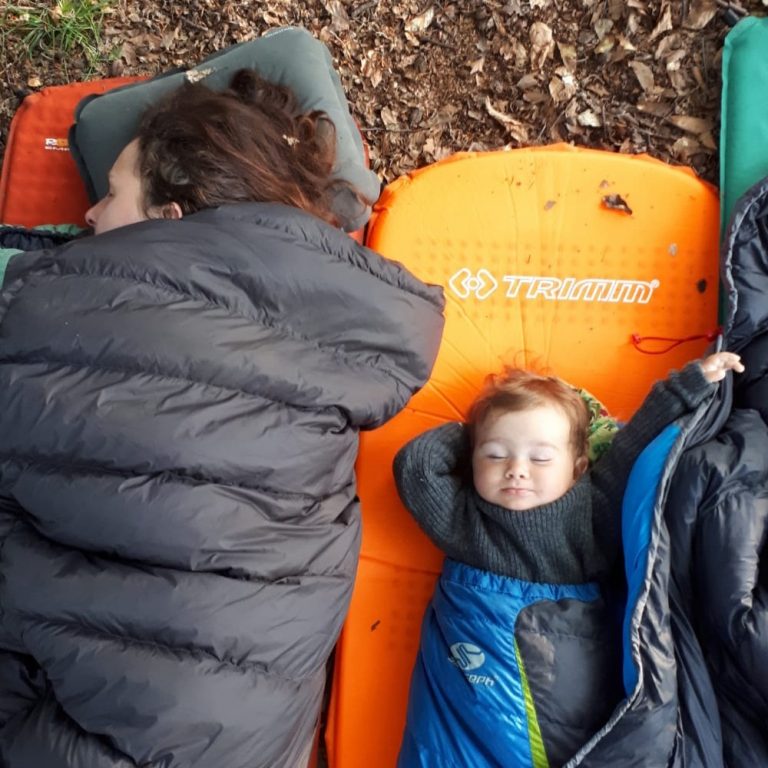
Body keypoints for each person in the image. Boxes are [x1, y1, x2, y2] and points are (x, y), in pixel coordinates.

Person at [0, 70, 445, 767]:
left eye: (111, 194)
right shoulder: (332, 343)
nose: (88, 215)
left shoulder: (73, 310)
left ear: (170, 219)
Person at [393, 353, 743, 768]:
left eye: (540, 458)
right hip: (477, 667)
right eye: (495, 455)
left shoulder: (591, 510)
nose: (516, 469)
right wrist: (475, 429)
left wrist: (688, 385)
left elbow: (635, 445)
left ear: (577, 468)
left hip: (565, 673)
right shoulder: (465, 521)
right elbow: (415, 465)